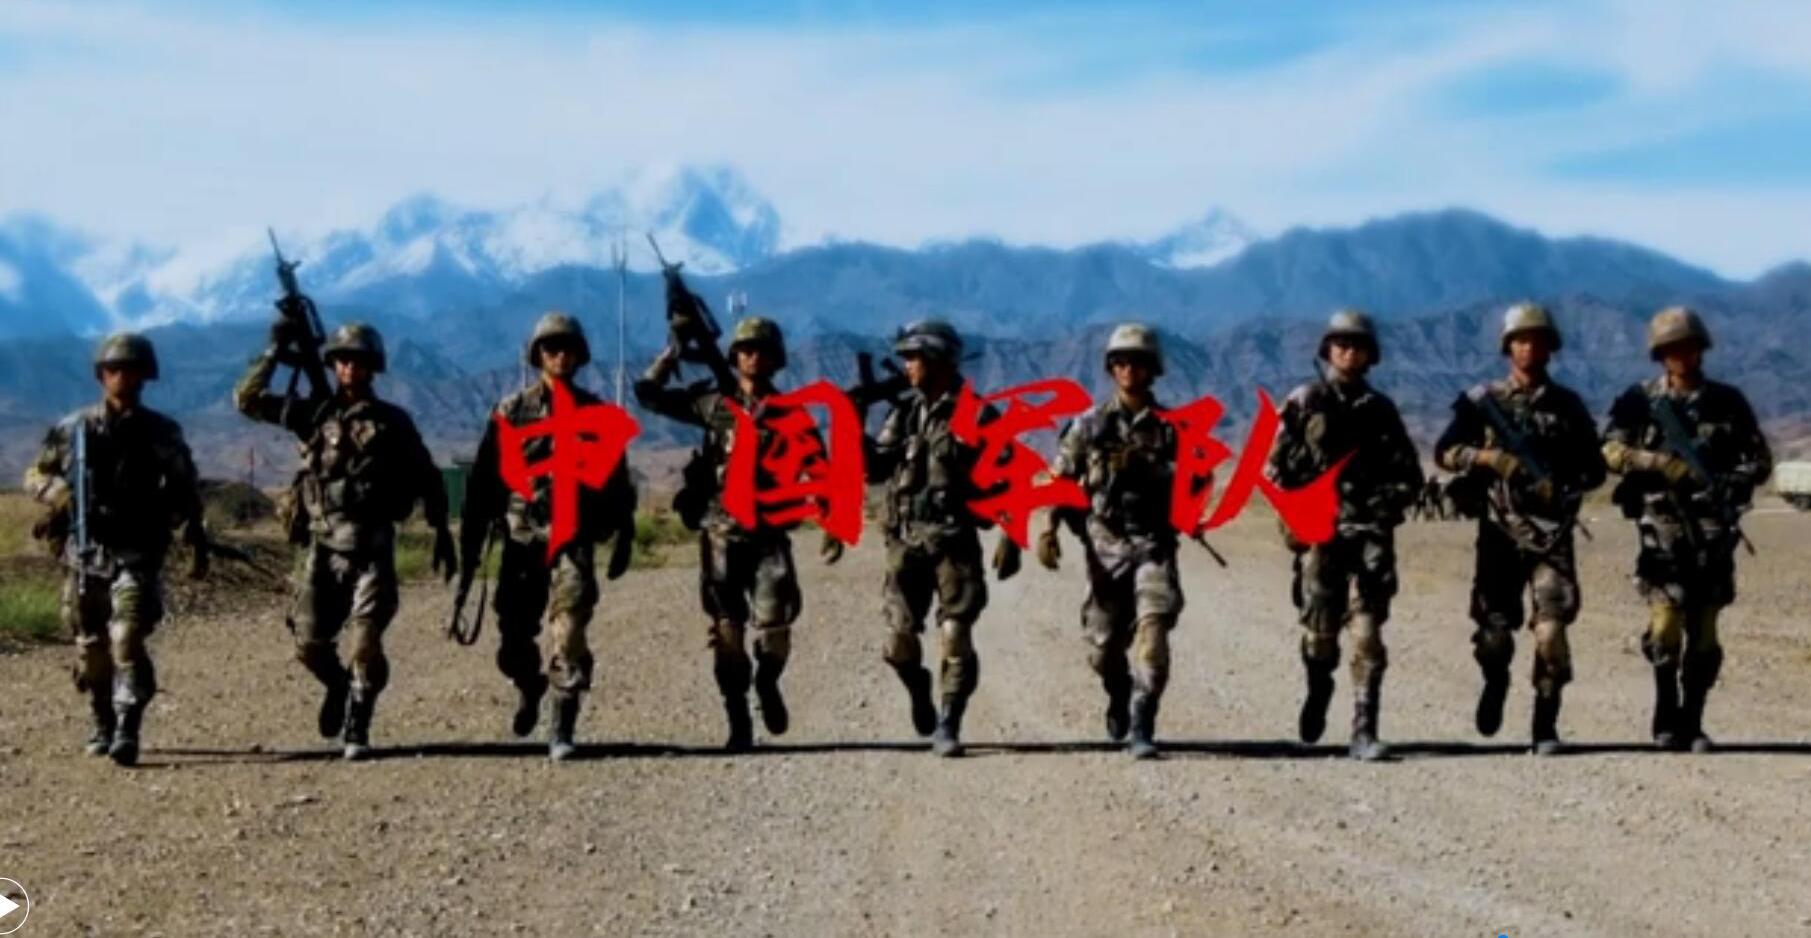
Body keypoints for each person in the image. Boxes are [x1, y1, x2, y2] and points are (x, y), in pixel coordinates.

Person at [236, 321, 454, 760]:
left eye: (358, 361)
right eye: (341, 360)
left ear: (373, 367)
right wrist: (273, 352)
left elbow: (427, 475)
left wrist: (442, 531)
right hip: (321, 546)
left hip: (372, 546)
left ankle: (359, 720)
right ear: (332, 365)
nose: (349, 368)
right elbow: (248, 400)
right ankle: (338, 686)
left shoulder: (392, 422)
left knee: (364, 641)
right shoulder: (313, 414)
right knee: (309, 645)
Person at [636, 316, 838, 751]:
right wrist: (671, 353)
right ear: (734, 357)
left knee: (775, 631)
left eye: (762, 351)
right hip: (722, 536)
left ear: (776, 359)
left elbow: (820, 471)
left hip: (769, 537)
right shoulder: (714, 406)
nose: (753, 357)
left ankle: (767, 682)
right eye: (745, 350)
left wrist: (831, 522)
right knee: (727, 633)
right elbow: (648, 395)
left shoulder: (791, 414)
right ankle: (738, 720)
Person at [461, 312, 637, 762]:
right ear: (537, 355)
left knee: (570, 629)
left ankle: (562, 724)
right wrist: (470, 545)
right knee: (513, 643)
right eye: (551, 348)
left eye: (567, 348)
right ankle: (529, 684)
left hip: (573, 539)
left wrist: (624, 534)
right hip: (522, 541)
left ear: (579, 356)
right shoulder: (510, 412)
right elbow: (484, 483)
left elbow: (617, 483)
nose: (559, 355)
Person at [26, 333, 207, 766]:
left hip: (137, 551)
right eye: (114, 370)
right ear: (101, 376)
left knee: (126, 637)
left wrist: (192, 536)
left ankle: (128, 724)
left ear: (145, 376)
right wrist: (59, 494)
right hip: (85, 553)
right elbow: (36, 474)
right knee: (91, 649)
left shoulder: (161, 432)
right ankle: (102, 719)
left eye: (131, 370)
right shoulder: (74, 429)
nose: (122, 377)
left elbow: (185, 487)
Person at [1434, 302, 1605, 755]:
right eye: (1521, 340)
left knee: (1552, 632)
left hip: (1552, 535)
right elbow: (1445, 452)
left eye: (1538, 340)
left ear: (1550, 348)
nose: (1529, 348)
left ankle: (1545, 725)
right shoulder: (1483, 402)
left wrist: (1564, 485)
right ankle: (1495, 680)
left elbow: (1595, 468)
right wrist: (1489, 458)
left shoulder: (1567, 406)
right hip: (1500, 531)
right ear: (1508, 347)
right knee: (1494, 636)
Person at [1601, 306, 1772, 752]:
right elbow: (1610, 450)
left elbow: (1759, 461)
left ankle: (1692, 720)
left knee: (1705, 629)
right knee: (1665, 623)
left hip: (1713, 529)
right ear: (1660, 354)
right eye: (1673, 348)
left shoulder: (1728, 402)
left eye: (1689, 347)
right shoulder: (1640, 400)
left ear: (1701, 350)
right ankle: (1665, 709)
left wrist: (1730, 480)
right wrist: (1656, 462)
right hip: (1662, 526)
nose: (1682, 355)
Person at [1267, 309, 1423, 760]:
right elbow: (1272, 468)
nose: (1349, 353)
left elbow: (1410, 476)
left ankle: (1363, 730)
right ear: (1327, 350)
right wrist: (1297, 514)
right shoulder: (1305, 401)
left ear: (1371, 355)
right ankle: (1319, 685)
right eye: (1341, 345)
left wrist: (1386, 503)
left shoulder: (1381, 410)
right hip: (1321, 538)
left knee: (1368, 632)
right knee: (1320, 636)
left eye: (1358, 346)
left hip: (1370, 535)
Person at [866, 319, 1020, 757]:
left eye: (914, 357)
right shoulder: (905, 414)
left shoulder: (977, 415)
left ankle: (949, 721)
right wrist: (853, 430)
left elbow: (1009, 475)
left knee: (955, 634)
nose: (907, 366)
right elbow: (876, 466)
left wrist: (1011, 534)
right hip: (905, 543)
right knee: (898, 643)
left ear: (937, 359)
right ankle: (919, 687)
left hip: (954, 542)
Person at [1039, 323, 1184, 759]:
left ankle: (1142, 722)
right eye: (1120, 362)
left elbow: (1196, 482)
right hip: (1105, 547)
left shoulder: (1173, 428)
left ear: (1152, 369)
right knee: (1102, 648)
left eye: (1137, 362)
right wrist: (1047, 528)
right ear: (1110, 368)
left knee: (1153, 632)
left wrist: (1161, 478)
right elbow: (1060, 479)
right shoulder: (1089, 425)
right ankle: (1118, 690)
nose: (1128, 370)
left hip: (1153, 545)